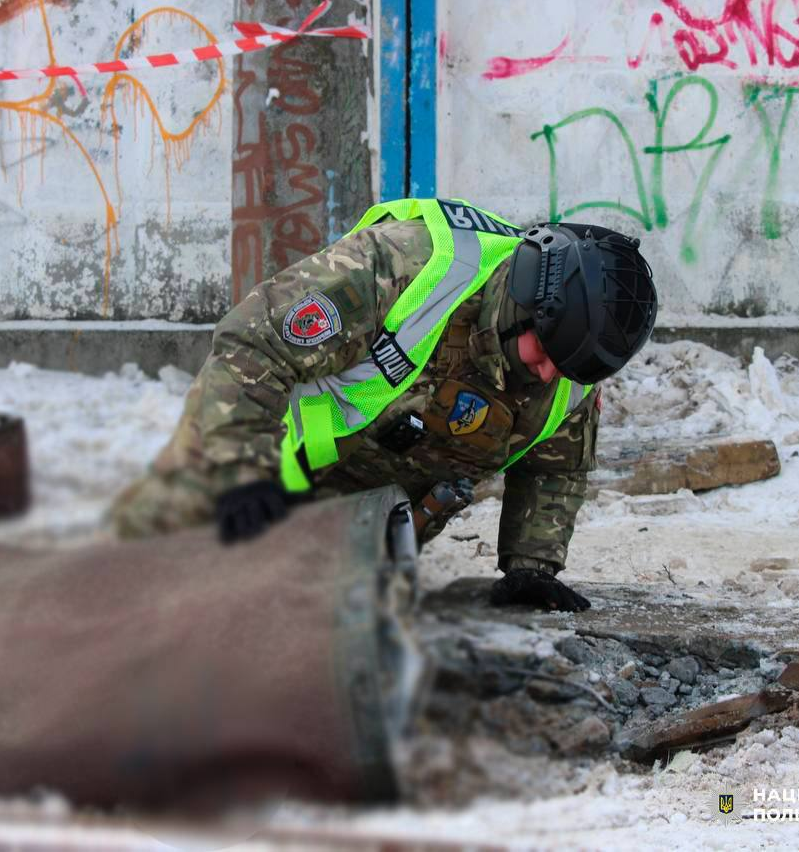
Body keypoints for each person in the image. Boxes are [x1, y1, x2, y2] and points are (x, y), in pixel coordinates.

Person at [112, 198, 657, 611]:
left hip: (356, 532)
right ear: (529, 301)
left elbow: (556, 467)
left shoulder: (569, 367)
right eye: (546, 355)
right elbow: (251, 346)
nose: (550, 375)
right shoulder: (407, 266)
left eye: (571, 369)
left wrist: (531, 565)